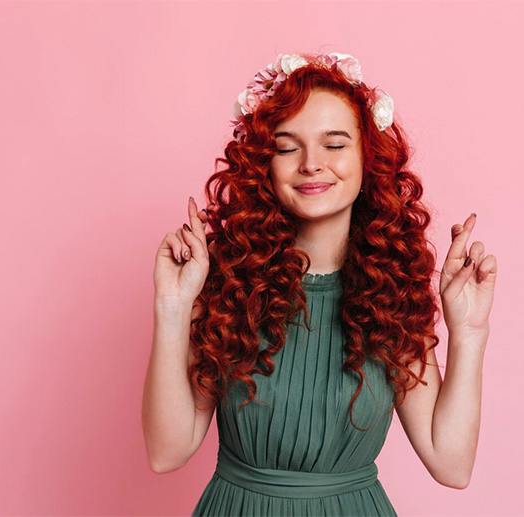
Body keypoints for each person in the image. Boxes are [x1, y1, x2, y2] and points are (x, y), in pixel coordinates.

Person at [142, 51, 498, 516]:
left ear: (368, 158)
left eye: (334, 145)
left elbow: (451, 465)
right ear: (264, 165)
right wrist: (172, 308)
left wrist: (469, 333)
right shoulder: (227, 286)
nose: (312, 164)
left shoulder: (388, 296)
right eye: (288, 147)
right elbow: (166, 452)